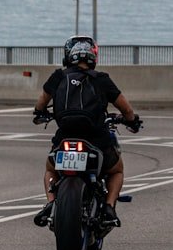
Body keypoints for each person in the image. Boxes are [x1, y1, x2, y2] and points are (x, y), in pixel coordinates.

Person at [32, 36, 141, 228]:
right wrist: (131, 121)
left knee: (51, 169)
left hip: (65, 135)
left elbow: (41, 103)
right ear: (93, 58)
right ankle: (109, 207)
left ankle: (51, 203)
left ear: (69, 57)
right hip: (96, 138)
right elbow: (125, 108)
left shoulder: (58, 76)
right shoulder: (101, 79)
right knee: (116, 170)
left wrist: (40, 114)